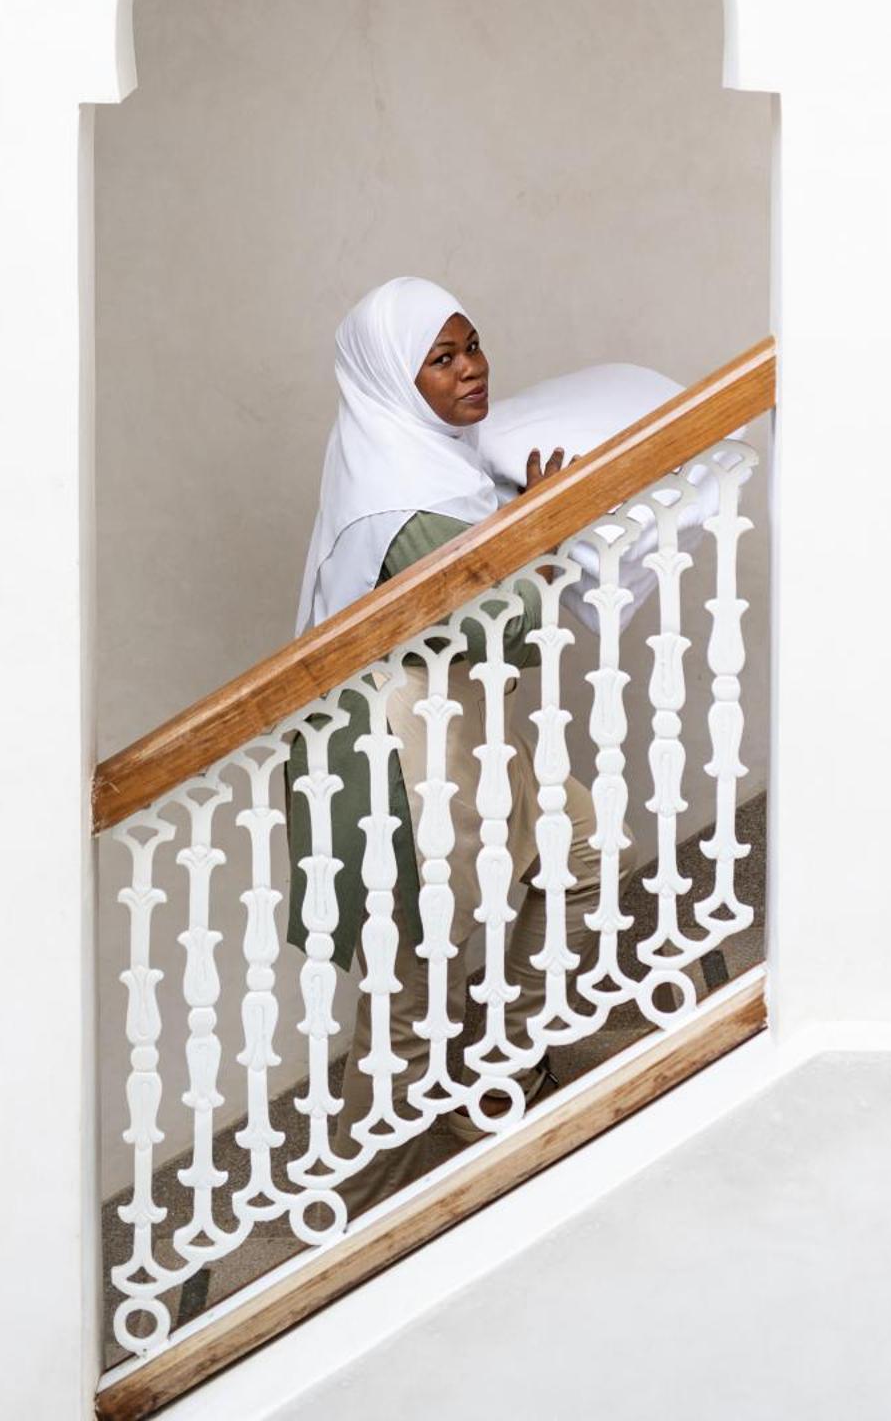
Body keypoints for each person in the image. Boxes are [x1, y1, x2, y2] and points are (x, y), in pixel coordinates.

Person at [288, 275, 616, 1217]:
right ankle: (360, 1190)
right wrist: (540, 525)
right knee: (412, 963)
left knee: (578, 852)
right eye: (441, 359)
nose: (471, 370)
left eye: (471, 345)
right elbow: (503, 626)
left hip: (470, 724)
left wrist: (520, 521)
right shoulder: (395, 495)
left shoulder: (445, 467)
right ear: (394, 379)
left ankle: (494, 1071)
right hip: (403, 742)